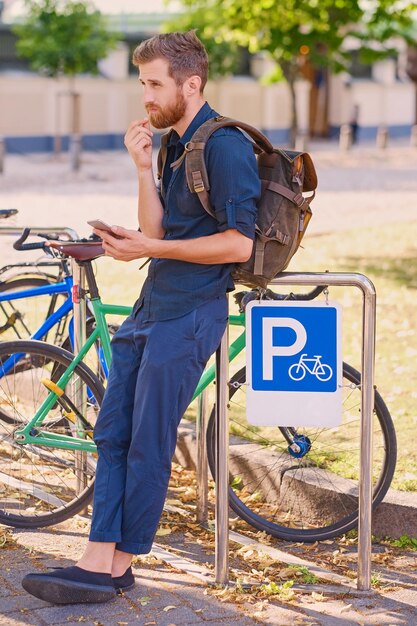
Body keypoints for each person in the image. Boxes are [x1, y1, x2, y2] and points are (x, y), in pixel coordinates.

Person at [22, 30, 260, 605]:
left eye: (155, 84)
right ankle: (100, 558)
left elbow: (238, 246)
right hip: (153, 306)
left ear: (191, 83)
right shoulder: (175, 143)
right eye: (142, 84)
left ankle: (113, 565)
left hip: (191, 314)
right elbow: (156, 233)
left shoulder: (224, 146)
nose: (146, 96)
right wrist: (142, 166)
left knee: (148, 441)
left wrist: (150, 250)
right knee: (113, 433)